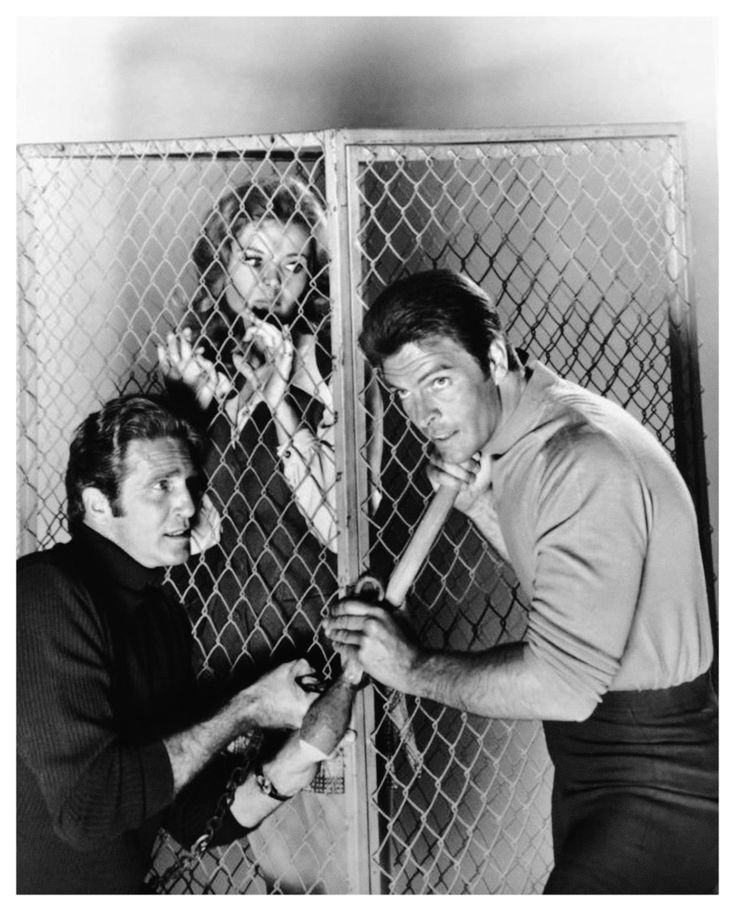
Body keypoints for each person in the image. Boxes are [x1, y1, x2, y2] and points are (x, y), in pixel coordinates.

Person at [324, 269, 718, 894]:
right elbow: (584, 599)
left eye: (440, 382)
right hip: (604, 757)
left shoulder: (580, 459)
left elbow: (563, 684)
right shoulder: (532, 430)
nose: (423, 414)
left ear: (496, 357)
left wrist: (412, 667)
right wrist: (482, 507)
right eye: (403, 394)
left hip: (652, 773)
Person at [157, 177, 378, 893]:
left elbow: (340, 523)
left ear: (311, 279)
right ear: (220, 266)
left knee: (338, 866)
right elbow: (180, 538)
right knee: (269, 863)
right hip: (222, 666)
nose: (269, 284)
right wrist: (188, 411)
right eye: (252, 260)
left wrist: (284, 403)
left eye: (291, 266)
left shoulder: (336, 370)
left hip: (314, 661)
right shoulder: (195, 372)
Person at [17, 395, 326, 894]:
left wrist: (298, 757)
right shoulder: (42, 595)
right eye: (161, 486)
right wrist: (247, 709)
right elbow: (88, 808)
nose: (187, 504)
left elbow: (188, 815)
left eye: (189, 484)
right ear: (98, 503)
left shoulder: (161, 616)